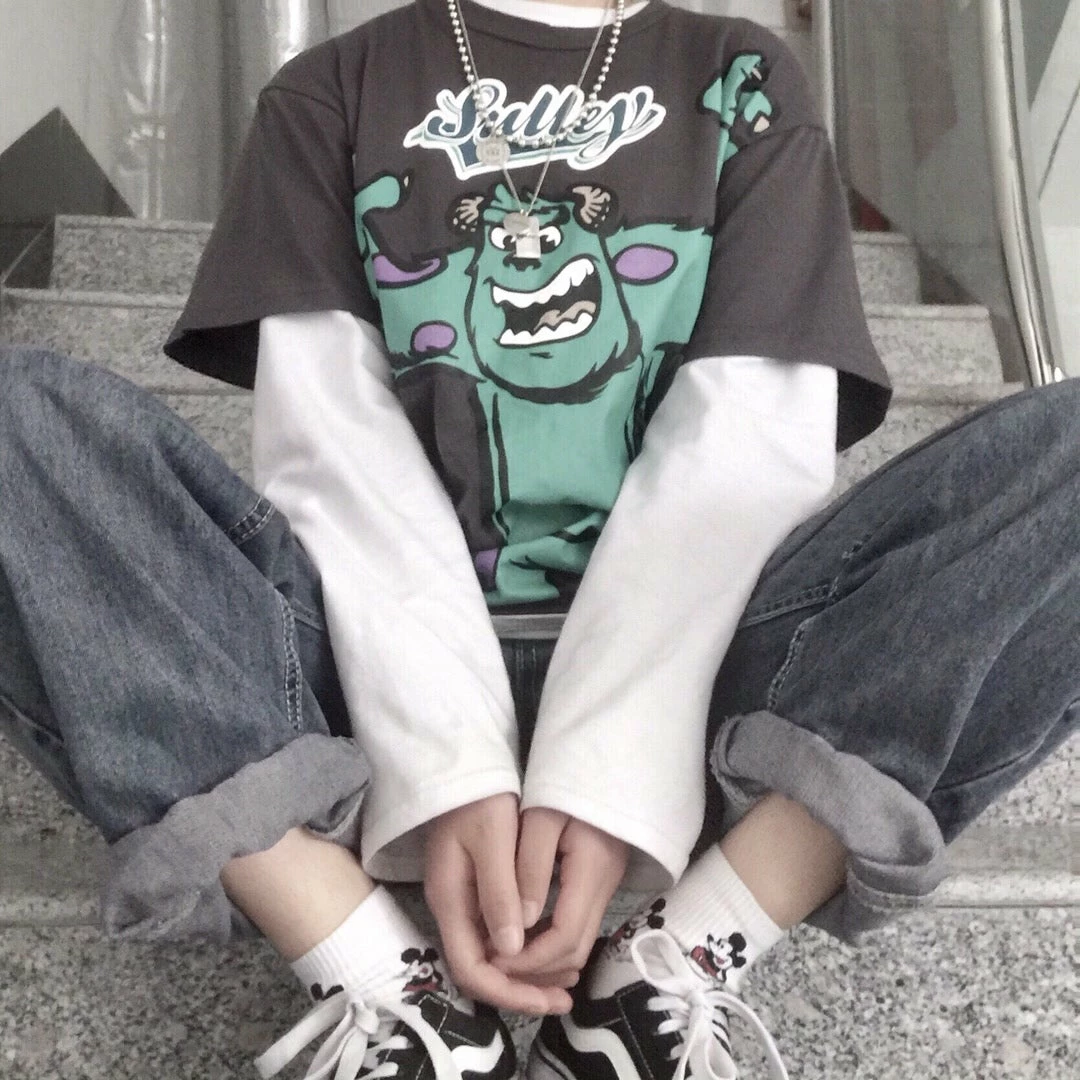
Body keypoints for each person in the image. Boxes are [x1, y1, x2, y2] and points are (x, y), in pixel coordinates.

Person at [0, 1, 1076, 1078]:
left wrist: (609, 783)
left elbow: (740, 460)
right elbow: (338, 461)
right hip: (367, 662)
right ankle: (386, 983)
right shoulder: (330, 89)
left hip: (706, 665)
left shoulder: (741, 75)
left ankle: (665, 969)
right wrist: (445, 770)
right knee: (20, 419)